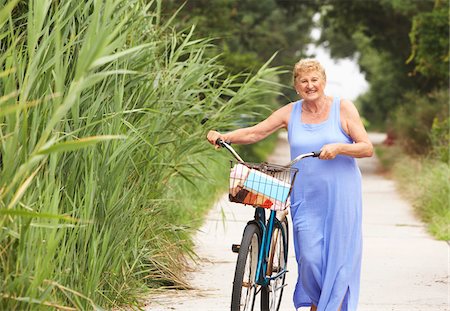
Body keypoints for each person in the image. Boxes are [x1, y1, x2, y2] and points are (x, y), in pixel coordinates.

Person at [206, 58, 373, 311]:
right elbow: (256, 132)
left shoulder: (343, 108)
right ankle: (320, 301)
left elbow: (367, 148)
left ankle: (329, 306)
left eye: (314, 79)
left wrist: (339, 147)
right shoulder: (290, 111)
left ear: (324, 81)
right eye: (303, 81)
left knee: (338, 257)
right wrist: (224, 137)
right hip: (306, 196)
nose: (310, 85)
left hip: (342, 194)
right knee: (309, 257)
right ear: (296, 86)